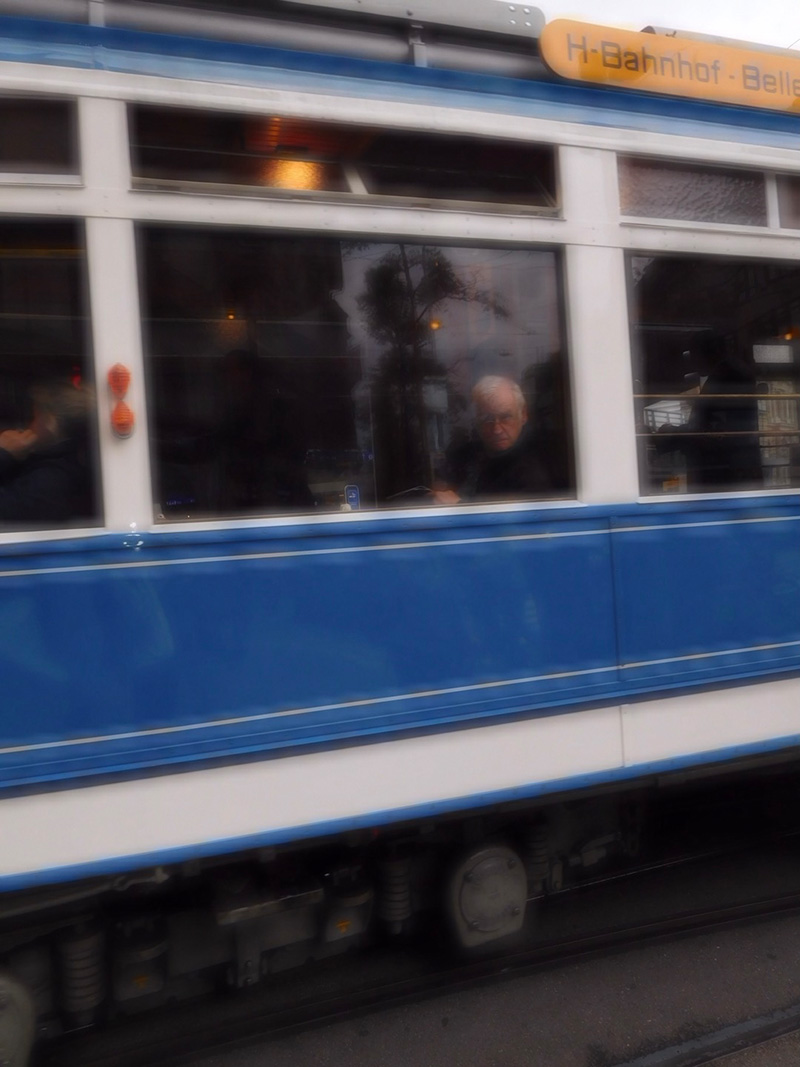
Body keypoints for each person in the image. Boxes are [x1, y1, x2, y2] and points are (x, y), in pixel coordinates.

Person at [431, 375, 551, 504]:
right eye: (487, 419)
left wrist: (459, 506)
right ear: (477, 419)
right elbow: (440, 484)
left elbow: (512, 520)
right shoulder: (468, 453)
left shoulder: (535, 467)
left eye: (505, 417)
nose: (496, 429)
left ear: (523, 415)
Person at [0, 381, 95, 524]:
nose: (28, 425)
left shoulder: (49, 480)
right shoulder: (71, 461)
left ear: (50, 422)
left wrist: (3, 453)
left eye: (34, 417)